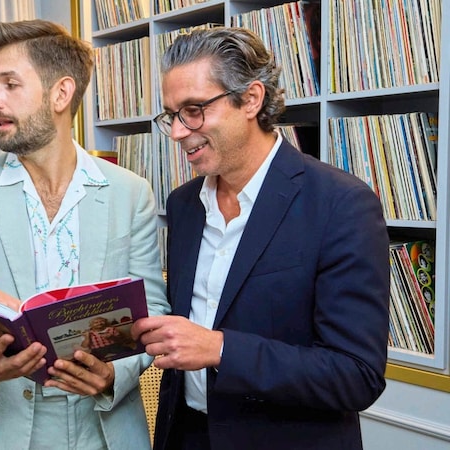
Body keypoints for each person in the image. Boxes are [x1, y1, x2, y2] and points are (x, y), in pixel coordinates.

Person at [131, 27, 390, 450]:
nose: (178, 132)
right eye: (171, 115)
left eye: (194, 110)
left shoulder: (341, 204)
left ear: (251, 99)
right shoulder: (183, 205)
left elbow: (356, 375)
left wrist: (220, 349)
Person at [0, 19, 169, 450]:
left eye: (9, 84)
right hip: (7, 430)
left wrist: (115, 375)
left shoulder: (132, 192)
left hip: (108, 430)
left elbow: (153, 308)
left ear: (61, 93)